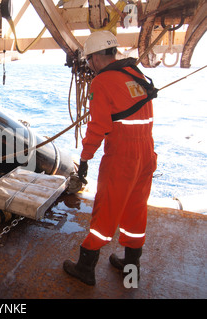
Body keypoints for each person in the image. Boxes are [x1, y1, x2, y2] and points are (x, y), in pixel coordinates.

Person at [63, 31, 158, 285]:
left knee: (106, 211)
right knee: (136, 211)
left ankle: (85, 267)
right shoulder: (135, 73)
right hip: (146, 153)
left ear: (93, 58)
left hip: (122, 158)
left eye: (89, 61)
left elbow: (98, 128)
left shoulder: (102, 83)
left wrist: (84, 159)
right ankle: (131, 268)